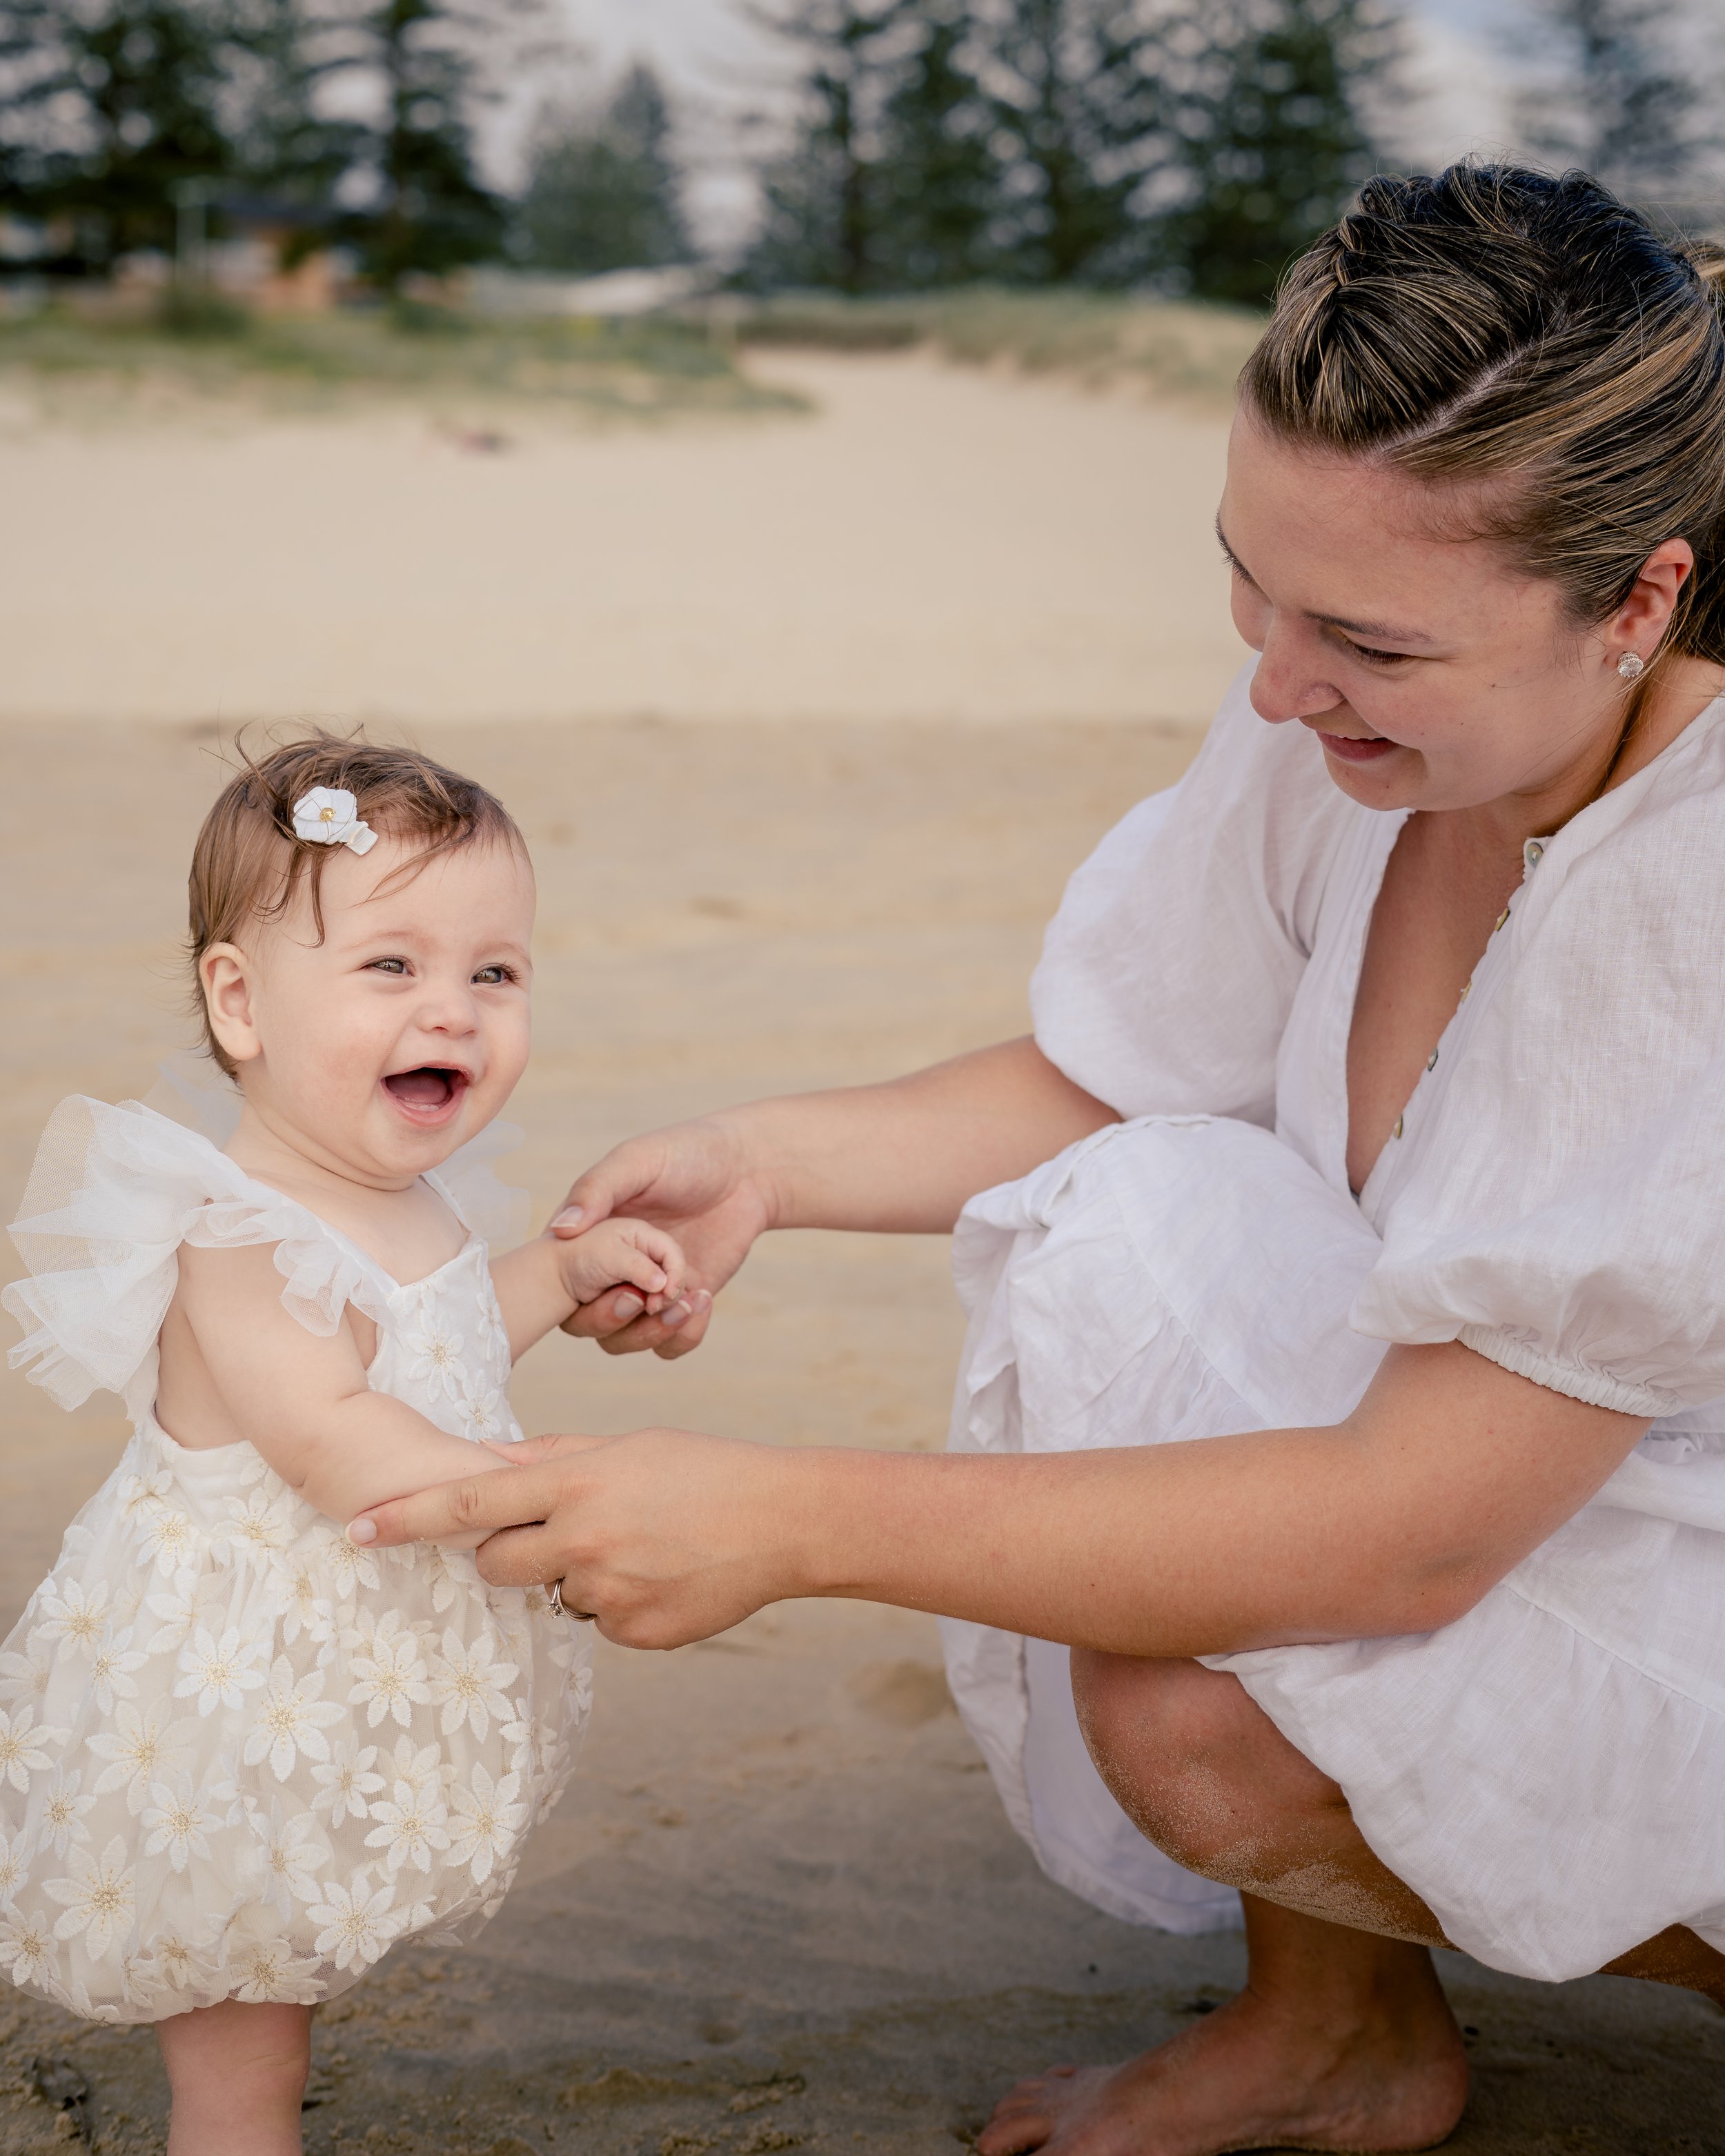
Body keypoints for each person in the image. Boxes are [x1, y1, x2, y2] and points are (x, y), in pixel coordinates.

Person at [353, 166, 1725, 2156]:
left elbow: (1415, 1530)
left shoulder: (1684, 895)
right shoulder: (1365, 725)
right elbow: (1127, 1080)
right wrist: (764, 1160)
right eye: (1248, 580)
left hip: (1614, 1535)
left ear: (1638, 605)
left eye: (1362, 637)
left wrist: (784, 1521)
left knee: (1204, 1702)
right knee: (1148, 1234)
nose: (1274, 679)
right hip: (1529, 1495)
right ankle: (1335, 2027)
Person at [2, 737, 685, 2155]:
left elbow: (438, 1336)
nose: (453, 1008)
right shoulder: (240, 1230)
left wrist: (557, 1278)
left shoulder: (409, 1196)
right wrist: (541, 1490)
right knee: (242, 2040)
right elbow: (334, 1433)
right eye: (391, 966)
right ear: (239, 1003)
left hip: (326, 1675)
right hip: (229, 1699)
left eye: (494, 972)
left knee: (292, 1953)